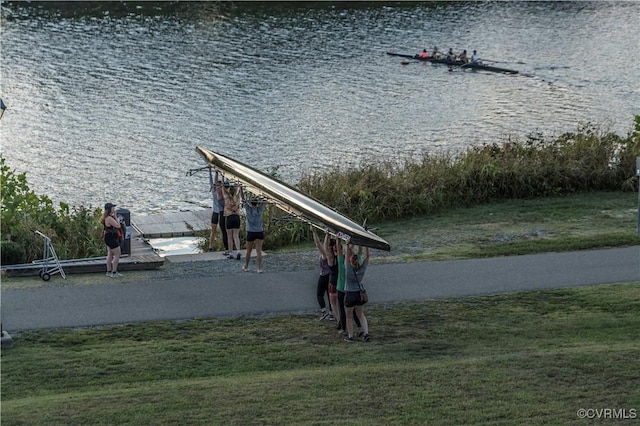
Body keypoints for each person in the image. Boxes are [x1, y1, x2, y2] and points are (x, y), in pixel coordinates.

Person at [343, 244, 370, 342]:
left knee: (349, 316)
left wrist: (347, 245)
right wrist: (366, 246)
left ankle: (350, 336)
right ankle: (366, 333)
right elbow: (367, 257)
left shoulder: (349, 270)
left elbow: (346, 257)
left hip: (350, 294)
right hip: (359, 294)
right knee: (361, 315)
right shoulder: (361, 270)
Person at [311, 227, 334, 321]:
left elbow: (318, 244)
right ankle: (332, 313)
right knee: (330, 295)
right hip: (330, 276)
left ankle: (324, 311)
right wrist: (329, 233)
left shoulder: (325, 254)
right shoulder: (333, 254)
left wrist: (314, 232)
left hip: (324, 276)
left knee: (319, 294)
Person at [242, 195, 266, 273]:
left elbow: (243, 199)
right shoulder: (260, 210)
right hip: (259, 232)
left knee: (248, 251)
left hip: (250, 232)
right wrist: (263, 195)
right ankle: (259, 268)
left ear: (251, 203)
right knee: (258, 250)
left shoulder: (248, 209)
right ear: (257, 203)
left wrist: (241, 188)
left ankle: (246, 266)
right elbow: (264, 200)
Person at [100, 202, 123, 278]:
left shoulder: (106, 217)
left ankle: (108, 271)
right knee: (117, 254)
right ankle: (114, 271)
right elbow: (118, 225)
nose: (114, 209)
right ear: (110, 209)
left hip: (108, 237)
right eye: (113, 208)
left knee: (110, 254)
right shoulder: (109, 218)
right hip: (111, 239)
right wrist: (116, 218)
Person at [222, 180, 242, 260]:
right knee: (236, 236)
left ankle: (230, 253)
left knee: (229, 236)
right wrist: (237, 184)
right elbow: (239, 189)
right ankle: (238, 251)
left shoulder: (226, 196)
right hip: (236, 216)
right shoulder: (237, 198)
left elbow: (223, 188)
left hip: (229, 216)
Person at [208, 170, 227, 253]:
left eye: (219, 186)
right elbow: (212, 181)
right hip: (215, 213)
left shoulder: (223, 193)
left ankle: (225, 247)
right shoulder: (214, 191)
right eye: (216, 186)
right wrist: (214, 173)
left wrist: (222, 175)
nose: (217, 187)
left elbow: (223, 184)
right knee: (213, 230)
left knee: (223, 230)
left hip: (221, 212)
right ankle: (210, 247)